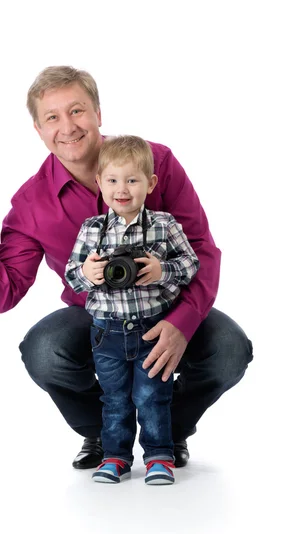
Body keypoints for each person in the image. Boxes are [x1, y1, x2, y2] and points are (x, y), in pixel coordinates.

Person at [0, 65, 253, 470]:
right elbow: (3, 295)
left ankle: (165, 433)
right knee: (43, 350)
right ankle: (104, 435)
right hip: (96, 320)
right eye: (52, 118)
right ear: (39, 130)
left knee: (230, 349)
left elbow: (202, 250)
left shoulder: (156, 161)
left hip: (166, 306)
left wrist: (182, 323)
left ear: (98, 113)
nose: (68, 127)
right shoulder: (31, 202)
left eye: (77, 111)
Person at [65, 135, 200, 484]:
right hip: (106, 332)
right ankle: (116, 457)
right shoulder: (91, 230)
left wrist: (161, 270)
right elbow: (71, 276)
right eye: (111, 180)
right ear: (99, 183)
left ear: (150, 183)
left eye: (132, 180)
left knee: (153, 395)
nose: (121, 189)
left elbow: (190, 263)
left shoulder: (164, 225)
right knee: (115, 399)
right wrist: (88, 273)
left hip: (151, 329)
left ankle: (158, 457)